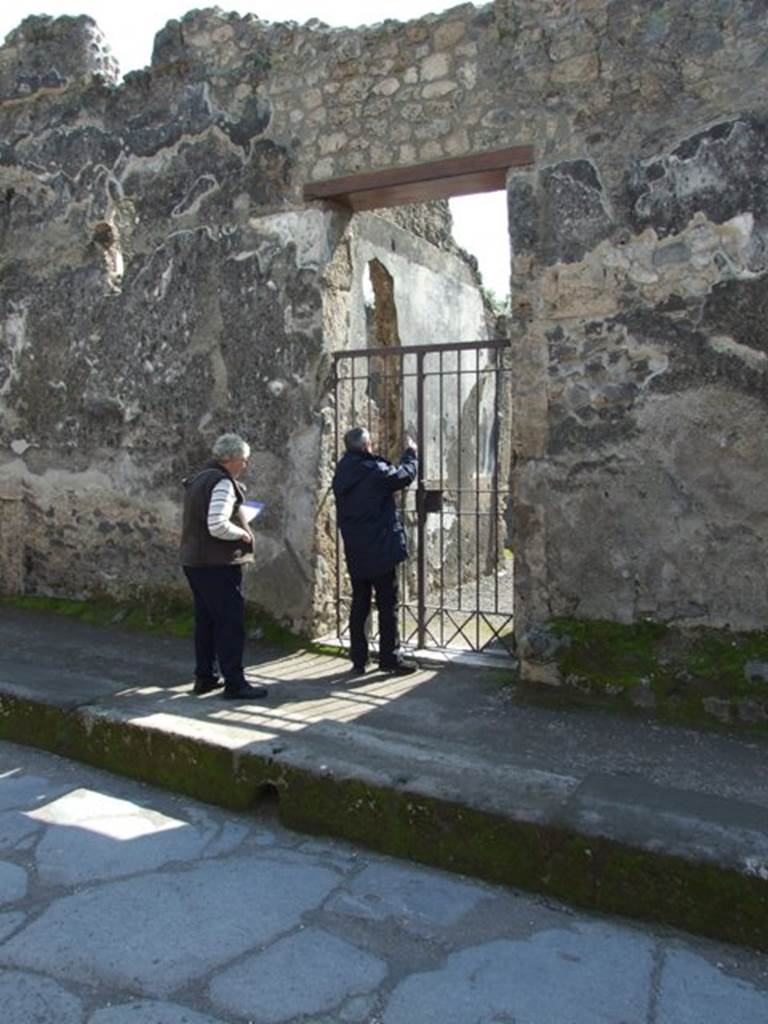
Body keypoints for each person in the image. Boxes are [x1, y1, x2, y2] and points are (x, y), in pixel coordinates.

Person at [180, 433, 267, 700]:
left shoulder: (200, 478)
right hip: (217, 563)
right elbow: (216, 524)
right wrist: (241, 534)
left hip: (194, 561)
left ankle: (205, 677)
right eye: (244, 460)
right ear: (231, 459)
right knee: (230, 623)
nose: (245, 465)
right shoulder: (222, 483)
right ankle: (235, 683)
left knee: (205, 621)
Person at [333, 426, 418, 676]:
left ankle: (358, 658)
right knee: (387, 603)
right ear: (365, 446)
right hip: (380, 547)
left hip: (356, 547)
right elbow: (403, 476)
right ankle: (389, 657)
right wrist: (410, 454)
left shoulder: (343, 470)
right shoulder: (373, 471)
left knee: (360, 603)